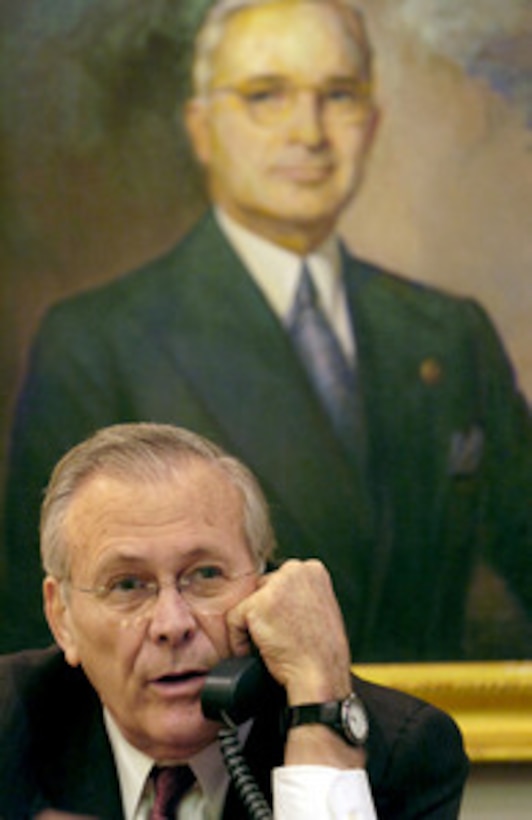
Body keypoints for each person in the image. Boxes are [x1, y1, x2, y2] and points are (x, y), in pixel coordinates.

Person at [3, 0, 531, 660]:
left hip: (433, 751)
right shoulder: (101, 343)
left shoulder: (450, 334)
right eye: (266, 95)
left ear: (371, 123)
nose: (308, 131)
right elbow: (38, 635)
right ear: (202, 128)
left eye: (337, 95)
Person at [0, 422, 468, 819]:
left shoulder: (402, 754)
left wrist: (320, 712)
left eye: (205, 575)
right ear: (61, 618)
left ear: (265, 590)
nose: (172, 623)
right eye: (127, 585)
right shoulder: (10, 721)